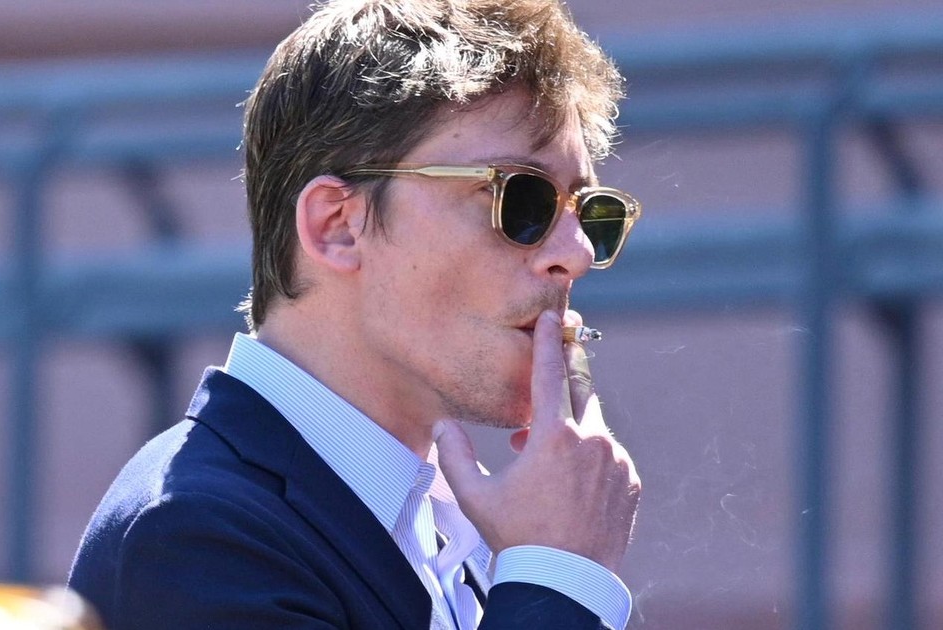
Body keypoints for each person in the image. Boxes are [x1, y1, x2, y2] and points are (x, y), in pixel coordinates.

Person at [68, 0, 643, 628]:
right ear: (338, 225)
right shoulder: (191, 540)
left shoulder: (445, 522)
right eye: (521, 198)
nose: (576, 254)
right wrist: (557, 580)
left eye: (591, 212)